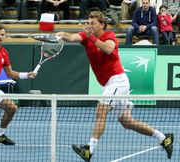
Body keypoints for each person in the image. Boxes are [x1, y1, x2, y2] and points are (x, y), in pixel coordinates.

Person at [56, 10, 173, 161]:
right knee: (127, 122)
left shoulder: (109, 36)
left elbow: (108, 49)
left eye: (93, 23)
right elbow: (72, 37)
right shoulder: (86, 36)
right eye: (89, 22)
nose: (90, 25)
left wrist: (91, 37)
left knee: (101, 111)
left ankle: (89, 150)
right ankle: (164, 138)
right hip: (109, 84)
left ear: (102, 25)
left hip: (117, 80)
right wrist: (60, 35)